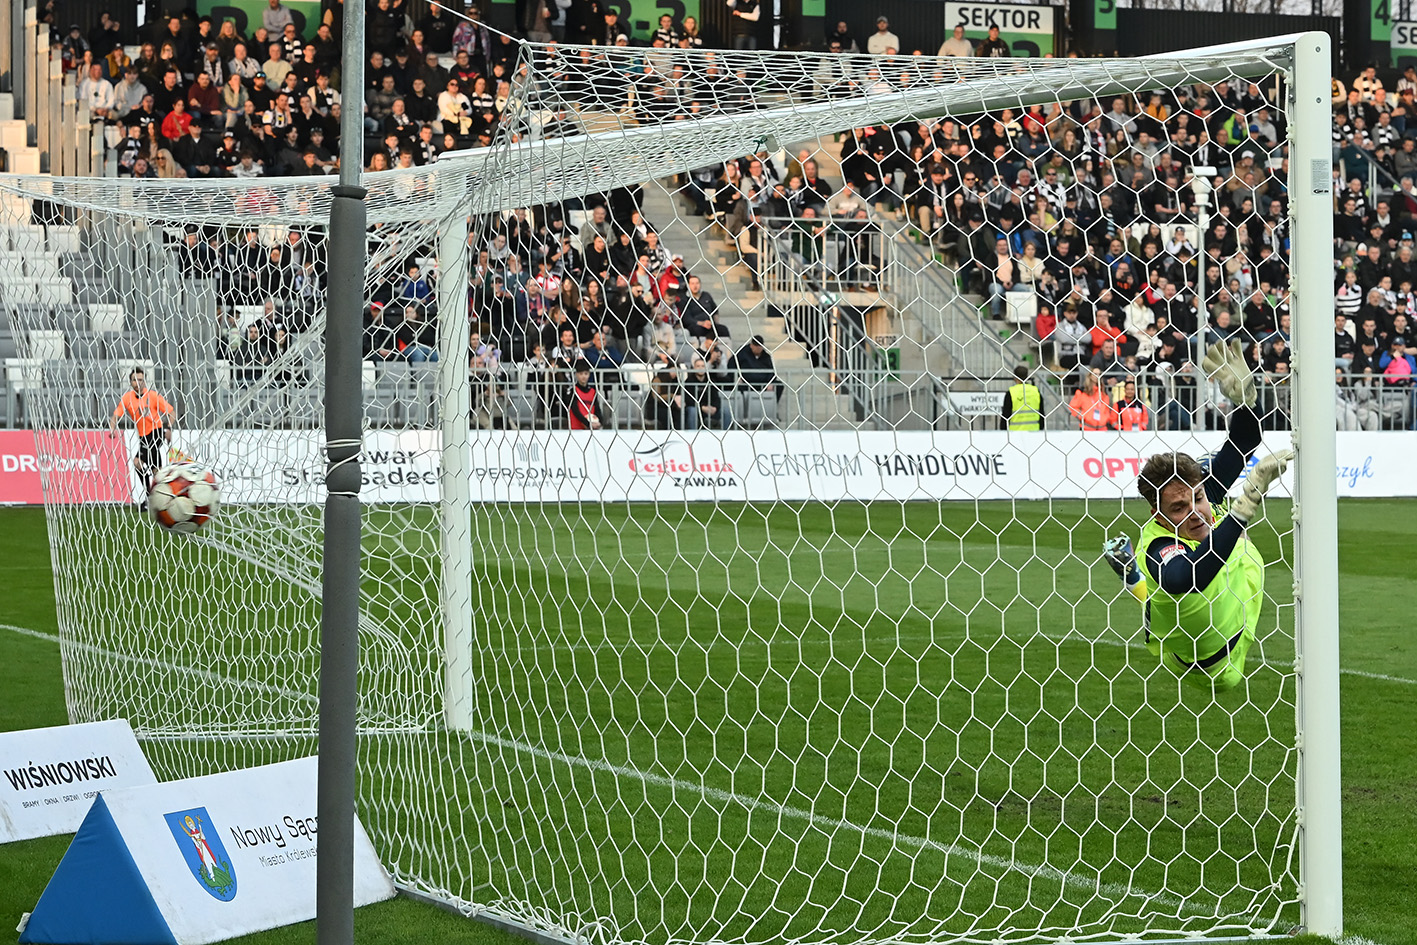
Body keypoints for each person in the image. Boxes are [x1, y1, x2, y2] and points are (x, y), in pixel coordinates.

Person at [1102, 340, 1293, 691]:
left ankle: (1133, 577)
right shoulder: (1156, 545)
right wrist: (1243, 508)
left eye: (1198, 498)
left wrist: (1246, 402)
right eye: (1178, 508)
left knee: (1177, 588)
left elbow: (1245, 440)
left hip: (1230, 599)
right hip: (1210, 665)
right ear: (1157, 514)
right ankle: (1136, 577)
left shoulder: (1206, 492)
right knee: (1178, 588)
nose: (1195, 513)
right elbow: (1184, 578)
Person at [108, 366, 176, 491]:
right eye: (134, 380)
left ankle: (149, 494)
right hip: (143, 436)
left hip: (156, 432)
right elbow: (115, 415)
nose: (137, 383)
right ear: (130, 382)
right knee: (155, 469)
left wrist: (168, 429)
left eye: (140, 380)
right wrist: (112, 429)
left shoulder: (153, 396)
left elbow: (171, 412)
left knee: (137, 462)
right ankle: (162, 492)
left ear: (144, 381)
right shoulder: (127, 398)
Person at [999, 363, 1042, 431]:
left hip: (1015, 432)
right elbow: (1041, 413)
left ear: (1015, 377)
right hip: (1034, 431)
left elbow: (1006, 415)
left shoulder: (1011, 392)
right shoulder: (1035, 391)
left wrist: (1003, 431)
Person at [567, 363, 610, 430]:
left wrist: (600, 422)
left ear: (589, 375)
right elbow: (575, 410)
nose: (583, 376)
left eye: (586, 374)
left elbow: (597, 409)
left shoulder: (593, 391)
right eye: (581, 374)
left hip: (591, 428)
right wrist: (588, 423)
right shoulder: (573, 390)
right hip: (576, 428)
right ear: (576, 375)